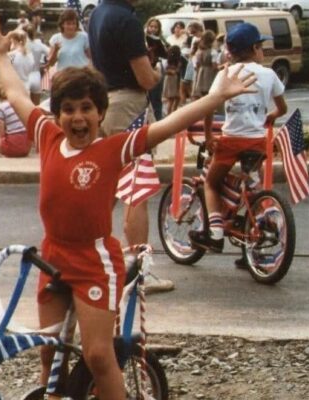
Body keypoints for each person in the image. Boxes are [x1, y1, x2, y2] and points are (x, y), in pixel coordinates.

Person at [0, 14, 256, 400]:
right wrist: (0, 56)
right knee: (47, 352)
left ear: (101, 113)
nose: (77, 116)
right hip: (53, 254)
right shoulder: (49, 136)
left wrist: (216, 98)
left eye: (87, 108)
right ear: (58, 114)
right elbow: (18, 94)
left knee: (99, 356)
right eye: (69, 109)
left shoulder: (112, 148)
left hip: (94, 260)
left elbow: (168, 125)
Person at [88, 0, 172, 293]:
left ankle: (84, 248)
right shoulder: (127, 20)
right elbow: (146, 79)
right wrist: (159, 71)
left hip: (106, 102)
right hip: (129, 105)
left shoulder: (98, 13)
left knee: (109, 183)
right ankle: (139, 269)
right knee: (136, 185)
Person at [189, 22, 287, 256]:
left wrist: (211, 135)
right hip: (257, 142)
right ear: (255, 48)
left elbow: (209, 106)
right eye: (262, 46)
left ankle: (215, 233)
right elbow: (281, 108)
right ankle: (258, 231)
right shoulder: (270, 74)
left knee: (211, 183)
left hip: (232, 141)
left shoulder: (226, 73)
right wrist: (268, 117)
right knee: (254, 185)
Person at [0, 80, 31, 158]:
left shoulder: (0, 108)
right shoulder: (19, 104)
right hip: (26, 146)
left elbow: (2, 134)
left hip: (13, 147)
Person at [23, 24, 49, 105]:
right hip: (36, 75)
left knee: (24, 105)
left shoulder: (22, 44)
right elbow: (50, 53)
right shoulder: (39, 44)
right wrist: (47, 65)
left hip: (24, 75)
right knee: (36, 106)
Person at [192, 30, 218, 100]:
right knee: (209, 92)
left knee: (202, 93)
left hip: (201, 71)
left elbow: (197, 64)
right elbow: (214, 66)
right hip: (209, 73)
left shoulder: (199, 51)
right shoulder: (213, 52)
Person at [162, 45, 182, 115]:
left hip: (174, 80)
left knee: (177, 98)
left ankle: (173, 113)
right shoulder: (168, 61)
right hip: (171, 80)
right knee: (171, 99)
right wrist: (171, 71)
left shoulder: (176, 62)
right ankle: (169, 114)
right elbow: (165, 70)